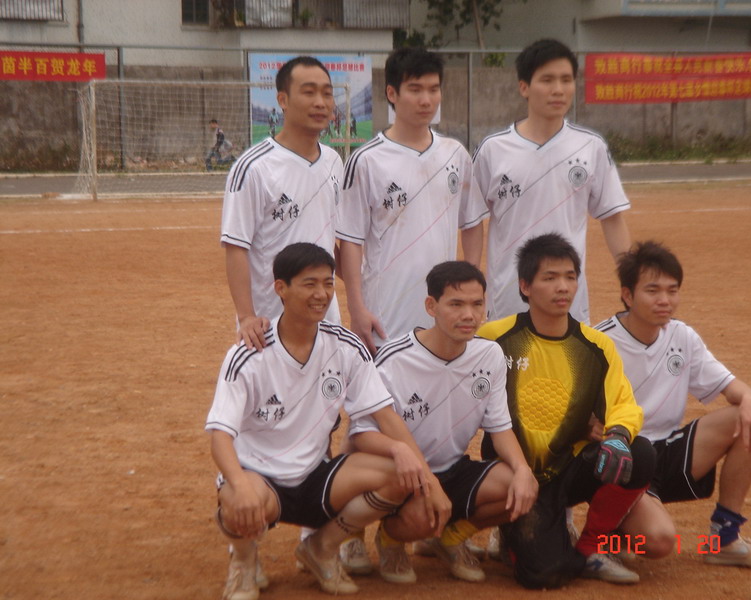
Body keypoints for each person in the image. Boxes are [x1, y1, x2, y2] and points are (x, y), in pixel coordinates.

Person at [206, 242, 449, 599]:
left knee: (401, 473)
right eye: (309, 284)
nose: (321, 294)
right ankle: (243, 561)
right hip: (260, 480)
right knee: (235, 496)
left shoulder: (346, 346)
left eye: (328, 283)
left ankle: (321, 548)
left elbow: (385, 415)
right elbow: (220, 434)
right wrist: (240, 483)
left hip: (316, 478)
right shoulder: (249, 353)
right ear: (280, 288)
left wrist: (426, 475)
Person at [477, 233, 655, 588]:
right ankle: (516, 531)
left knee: (640, 452)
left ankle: (590, 548)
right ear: (525, 286)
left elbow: (622, 403)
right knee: (542, 575)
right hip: (517, 471)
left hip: (570, 464)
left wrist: (618, 434)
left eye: (570, 277)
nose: (563, 287)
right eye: (550, 277)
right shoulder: (494, 338)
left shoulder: (595, 346)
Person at [595, 240, 751, 568]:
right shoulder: (599, 342)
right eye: (653, 290)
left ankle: (724, 538)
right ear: (627, 295)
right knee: (658, 542)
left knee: (747, 417)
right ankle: (610, 534)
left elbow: (732, 387)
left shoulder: (682, 336)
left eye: (672, 291)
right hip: (627, 458)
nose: (665, 300)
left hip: (668, 450)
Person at [348, 261, 538, 584]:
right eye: (456, 304)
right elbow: (360, 434)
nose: (469, 315)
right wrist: (410, 464)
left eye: (477, 304)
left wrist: (522, 470)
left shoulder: (489, 356)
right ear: (431, 306)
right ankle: (391, 539)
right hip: (403, 476)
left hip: (452, 467)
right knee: (422, 516)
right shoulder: (394, 359)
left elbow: (500, 428)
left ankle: (449, 538)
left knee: (520, 487)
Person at [336, 47, 487, 355]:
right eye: (415, 90)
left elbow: (472, 223)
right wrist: (356, 306)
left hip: (442, 315)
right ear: (392, 93)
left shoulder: (455, 154)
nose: (426, 100)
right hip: (385, 316)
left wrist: (468, 288)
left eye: (434, 89)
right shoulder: (366, 160)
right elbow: (350, 241)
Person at [472, 39, 631, 324]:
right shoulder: (493, 149)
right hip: (508, 303)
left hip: (569, 303)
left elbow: (612, 218)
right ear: (524, 87)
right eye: (547, 80)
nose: (558, 89)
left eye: (566, 80)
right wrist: (470, 284)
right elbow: (471, 221)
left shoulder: (591, 147)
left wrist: (632, 278)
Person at [221, 56, 343, 352]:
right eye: (309, 92)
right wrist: (246, 317)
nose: (320, 102)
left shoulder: (334, 161)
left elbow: (332, 240)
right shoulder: (254, 167)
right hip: (269, 325)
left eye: (327, 93)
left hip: (325, 318)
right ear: (283, 100)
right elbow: (236, 246)